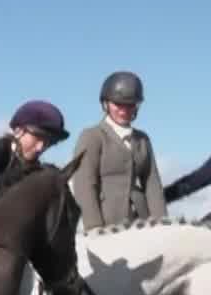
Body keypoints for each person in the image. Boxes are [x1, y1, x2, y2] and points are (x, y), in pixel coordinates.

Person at [67, 70, 167, 230]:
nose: (123, 110)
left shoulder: (142, 139)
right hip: (107, 223)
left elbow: (152, 184)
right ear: (105, 103)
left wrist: (162, 225)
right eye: (118, 104)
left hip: (142, 222)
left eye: (130, 105)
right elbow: (84, 185)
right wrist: (94, 227)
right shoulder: (92, 136)